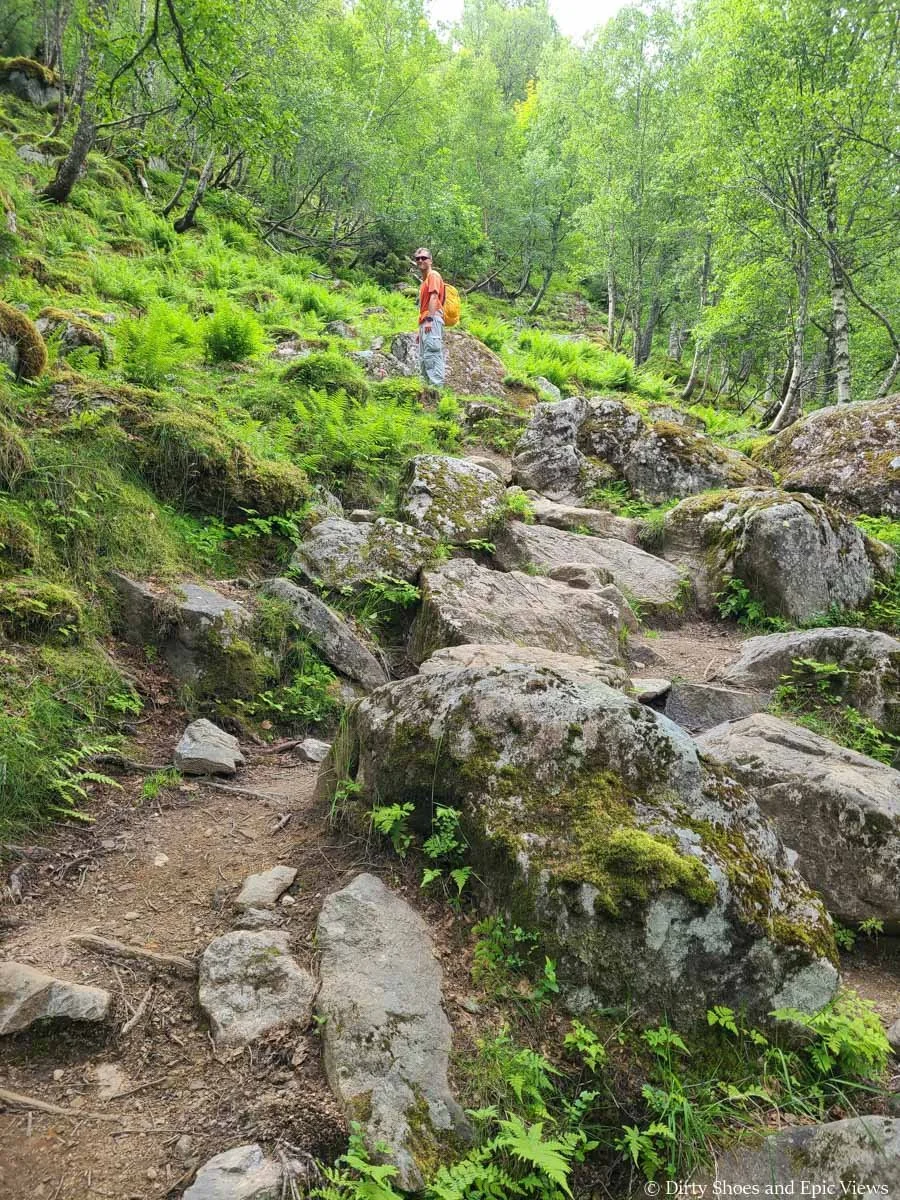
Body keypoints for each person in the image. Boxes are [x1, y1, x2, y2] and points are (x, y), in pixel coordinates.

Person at [414, 247, 445, 387]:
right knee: (424, 357)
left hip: (431, 319)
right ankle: (428, 392)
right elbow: (424, 307)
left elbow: (434, 297)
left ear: (430, 260)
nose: (420, 260)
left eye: (423, 258)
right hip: (425, 321)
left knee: (432, 354)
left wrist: (429, 320)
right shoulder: (424, 282)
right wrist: (419, 330)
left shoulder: (433, 276)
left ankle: (437, 389)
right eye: (417, 258)